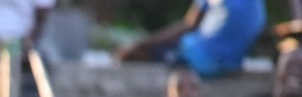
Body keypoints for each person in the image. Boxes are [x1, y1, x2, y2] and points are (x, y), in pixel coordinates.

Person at [114, 0, 282, 78]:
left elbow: (189, 24)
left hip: (200, 59)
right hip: (231, 63)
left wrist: (144, 45)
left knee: (132, 53)